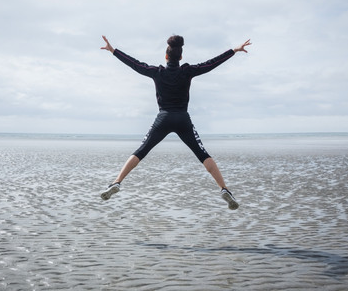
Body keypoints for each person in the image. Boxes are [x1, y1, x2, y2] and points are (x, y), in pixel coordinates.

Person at [100, 35, 251, 210]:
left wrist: (113, 51)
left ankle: (117, 182)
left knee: (141, 151)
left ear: (166, 56)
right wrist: (233, 50)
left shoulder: (157, 72)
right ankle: (224, 189)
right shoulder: (187, 71)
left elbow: (135, 64)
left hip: (163, 119)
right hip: (183, 119)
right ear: (180, 57)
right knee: (203, 154)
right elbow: (211, 64)